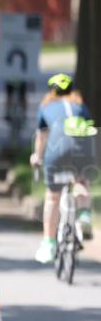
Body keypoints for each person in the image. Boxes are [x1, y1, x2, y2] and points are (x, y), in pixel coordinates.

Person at [30, 73, 96, 263]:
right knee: (81, 181)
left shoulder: (46, 106)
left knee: (52, 196)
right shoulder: (80, 105)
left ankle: (49, 243)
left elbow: (42, 137)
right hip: (83, 150)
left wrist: (37, 157)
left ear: (52, 91)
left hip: (58, 151)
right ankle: (84, 216)